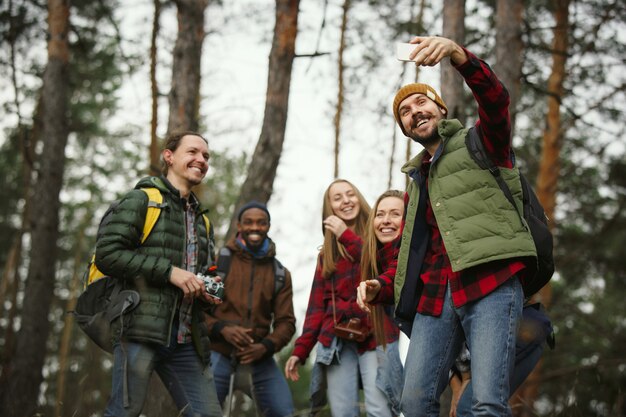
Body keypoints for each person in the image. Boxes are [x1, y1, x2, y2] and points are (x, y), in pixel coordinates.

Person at [389, 36, 537, 417]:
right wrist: (380, 285)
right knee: (412, 401)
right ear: (405, 128)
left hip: (491, 280)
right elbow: (411, 252)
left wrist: (458, 55)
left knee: (486, 402)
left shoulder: (481, 141)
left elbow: (496, 100)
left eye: (421, 101)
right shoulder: (416, 180)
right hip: (436, 296)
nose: (414, 111)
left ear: (440, 108)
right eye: (405, 111)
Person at [95, 131, 222, 417]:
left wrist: (206, 290)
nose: (201, 160)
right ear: (169, 156)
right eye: (192, 152)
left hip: (188, 340)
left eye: (205, 156)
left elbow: (199, 275)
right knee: (124, 412)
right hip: (140, 331)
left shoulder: (203, 221)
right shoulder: (142, 200)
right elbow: (107, 255)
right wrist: (169, 272)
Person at [284, 179, 396, 417]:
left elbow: (376, 266)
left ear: (359, 198)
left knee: (380, 408)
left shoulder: (378, 235)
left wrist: (345, 234)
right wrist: (300, 351)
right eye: (338, 198)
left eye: (350, 194)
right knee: (343, 412)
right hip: (337, 341)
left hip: (375, 335)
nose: (346, 201)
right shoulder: (327, 255)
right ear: (330, 209)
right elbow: (316, 308)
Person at [205, 201, 296, 417]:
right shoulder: (219, 263)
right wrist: (221, 329)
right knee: (203, 413)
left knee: (283, 411)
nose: (255, 227)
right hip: (218, 353)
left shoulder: (280, 273)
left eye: (261, 223)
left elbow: (287, 322)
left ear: (268, 226)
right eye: (249, 222)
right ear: (239, 225)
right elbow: (198, 311)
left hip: (260, 358)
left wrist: (266, 346)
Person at [357, 189, 406, 416]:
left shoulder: (413, 255)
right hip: (385, 344)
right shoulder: (374, 259)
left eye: (395, 214)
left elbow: (396, 274)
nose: (386, 220)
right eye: (380, 214)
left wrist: (379, 285)